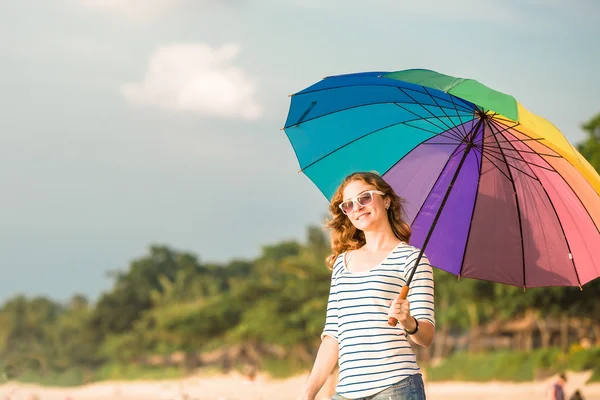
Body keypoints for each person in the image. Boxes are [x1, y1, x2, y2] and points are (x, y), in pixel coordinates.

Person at [300, 172, 435, 400]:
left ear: (386, 200)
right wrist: (308, 392)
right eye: (349, 205)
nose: (357, 208)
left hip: (396, 388)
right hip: (345, 393)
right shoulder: (342, 263)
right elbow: (333, 336)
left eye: (364, 198)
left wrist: (408, 321)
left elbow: (427, 336)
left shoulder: (412, 260)